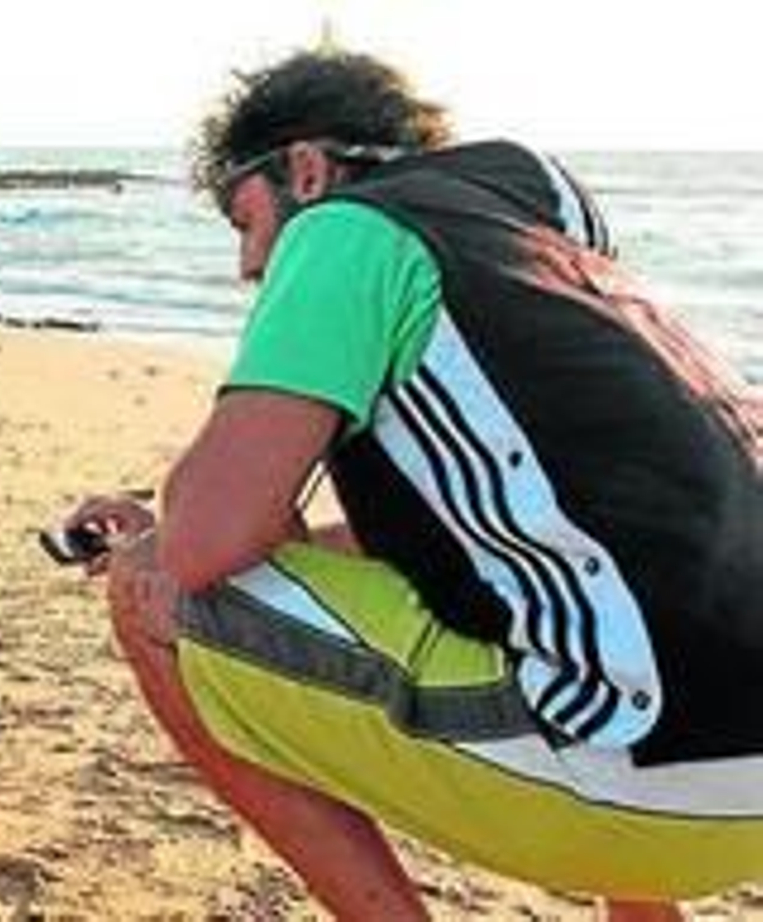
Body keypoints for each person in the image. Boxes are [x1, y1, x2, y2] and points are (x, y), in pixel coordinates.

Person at [63, 50, 763, 920]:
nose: (248, 265)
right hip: (745, 798)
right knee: (624, 613)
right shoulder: (543, 250)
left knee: (149, 588)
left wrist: (158, 536)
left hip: (635, 790)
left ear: (306, 170)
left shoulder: (344, 230)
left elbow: (203, 547)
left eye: (246, 222)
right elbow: (541, 531)